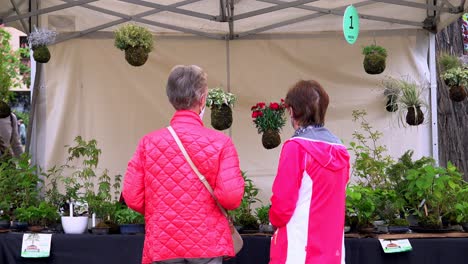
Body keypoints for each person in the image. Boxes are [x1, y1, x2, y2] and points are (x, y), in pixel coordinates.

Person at [123, 65, 245, 264]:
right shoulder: (221, 143)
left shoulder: (148, 143)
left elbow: (132, 197)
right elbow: (231, 198)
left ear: (171, 98)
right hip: (207, 243)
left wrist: (163, 208)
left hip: (163, 241)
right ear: (203, 99)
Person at [269, 80, 350, 264]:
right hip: (332, 248)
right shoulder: (341, 151)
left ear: (291, 111)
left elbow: (282, 204)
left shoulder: (295, 147)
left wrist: (273, 221)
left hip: (297, 247)